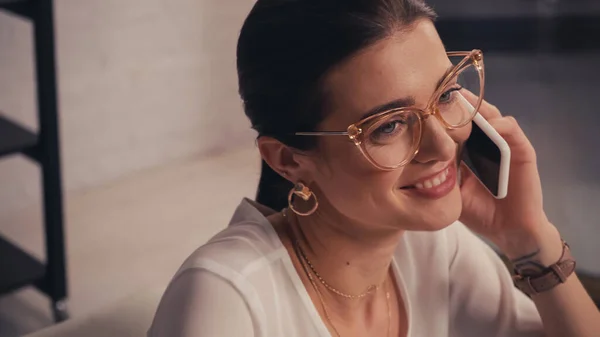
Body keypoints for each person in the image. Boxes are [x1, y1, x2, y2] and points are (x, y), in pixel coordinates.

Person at [148, 0, 600, 336]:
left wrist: (531, 241)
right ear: (289, 160)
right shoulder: (226, 299)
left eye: (445, 94)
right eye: (389, 126)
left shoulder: (438, 252)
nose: (443, 145)